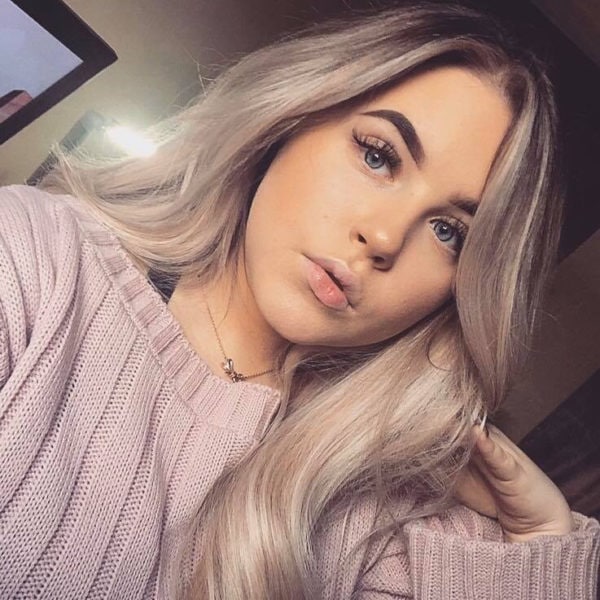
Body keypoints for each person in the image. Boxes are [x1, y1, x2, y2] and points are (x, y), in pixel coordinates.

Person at [0, 2, 598, 599]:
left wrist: (541, 542)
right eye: (378, 155)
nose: (384, 238)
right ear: (290, 118)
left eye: (450, 232)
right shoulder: (39, 261)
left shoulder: (386, 509)